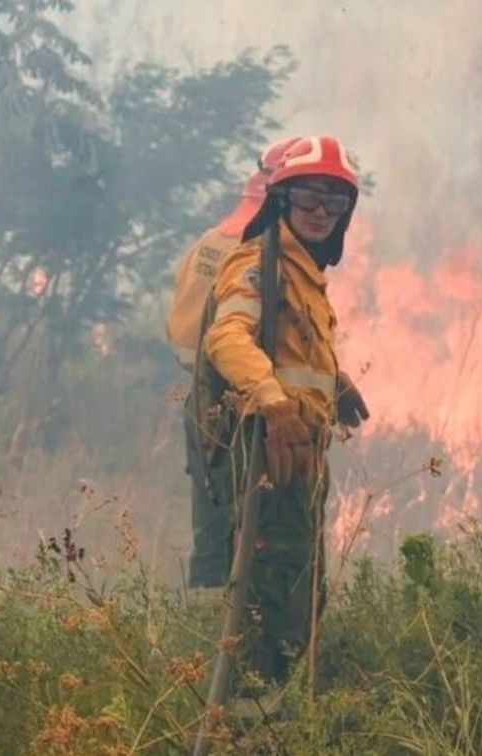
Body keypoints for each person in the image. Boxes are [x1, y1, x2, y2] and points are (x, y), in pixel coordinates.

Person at [192, 135, 370, 702]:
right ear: (283, 199)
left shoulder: (304, 273)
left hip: (303, 450)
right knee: (272, 594)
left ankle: (279, 709)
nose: (321, 213)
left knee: (302, 588)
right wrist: (273, 403)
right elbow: (229, 337)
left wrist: (335, 384)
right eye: (311, 199)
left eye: (334, 204)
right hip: (269, 448)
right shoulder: (258, 262)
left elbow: (293, 348)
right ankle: (249, 719)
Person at [168, 136, 299, 589]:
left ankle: (205, 639)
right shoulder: (257, 254)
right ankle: (234, 642)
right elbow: (235, 337)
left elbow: (182, 335)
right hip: (245, 411)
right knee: (254, 536)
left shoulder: (209, 242)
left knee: (212, 527)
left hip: (203, 403)